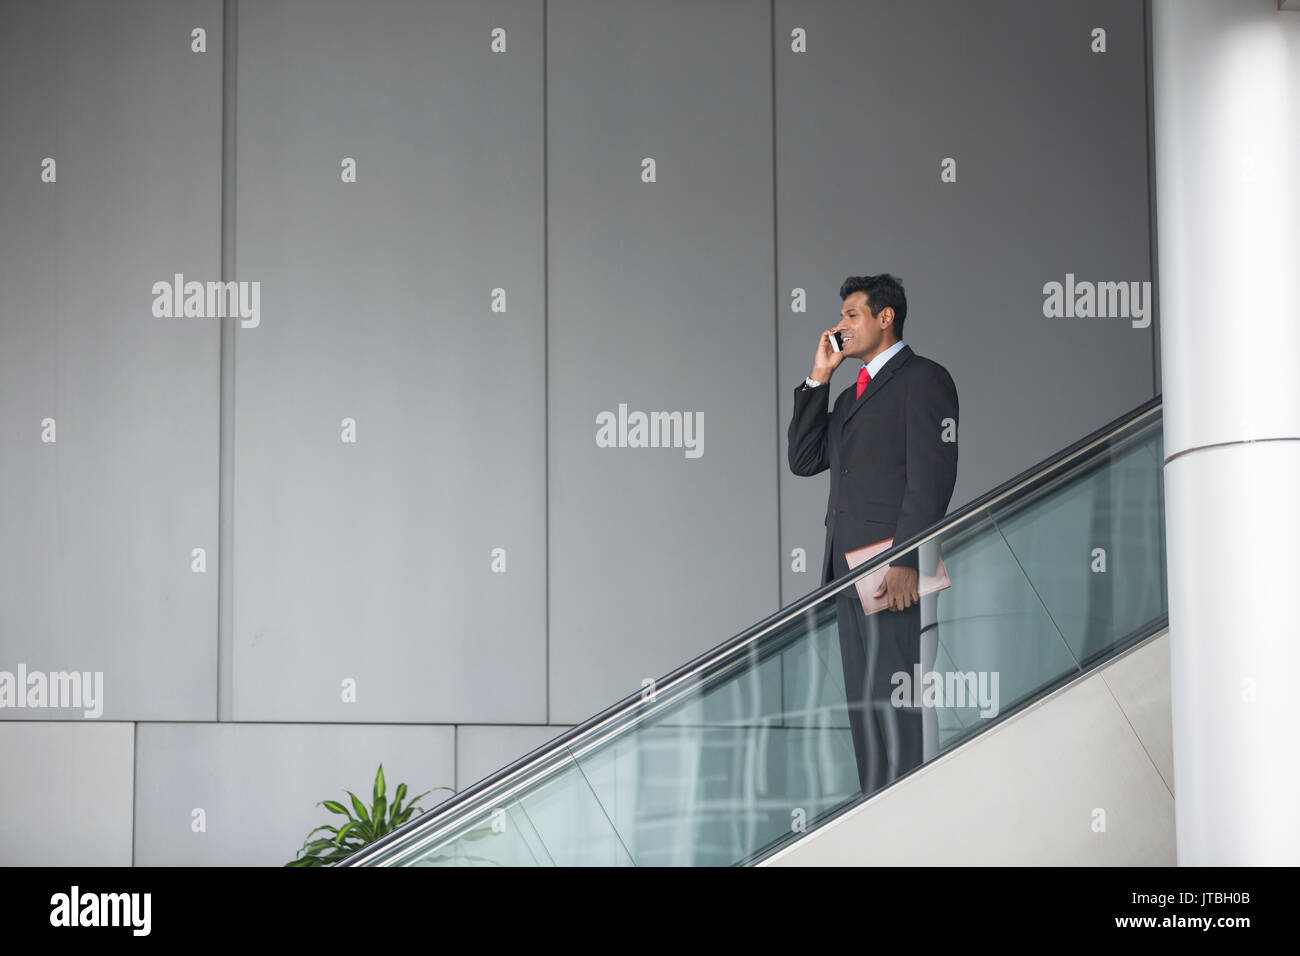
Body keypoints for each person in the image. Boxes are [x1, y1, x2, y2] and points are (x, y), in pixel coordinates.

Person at [787, 274, 958, 796]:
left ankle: (905, 805)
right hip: (845, 571)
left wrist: (906, 557)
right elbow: (803, 459)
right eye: (841, 317)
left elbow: (933, 476)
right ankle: (875, 804)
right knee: (864, 699)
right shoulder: (847, 398)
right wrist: (819, 378)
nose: (840, 326)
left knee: (894, 694)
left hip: (891, 567)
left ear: (886, 318)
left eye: (851, 315)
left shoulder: (924, 378)